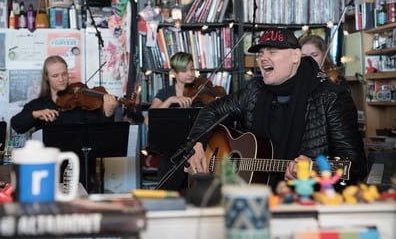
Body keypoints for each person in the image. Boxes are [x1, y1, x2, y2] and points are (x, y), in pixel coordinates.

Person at [184, 28, 367, 192]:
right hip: (256, 194)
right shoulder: (254, 91)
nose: (263, 57)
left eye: (272, 51)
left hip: (306, 200)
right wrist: (197, 143)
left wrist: (315, 168)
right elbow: (213, 110)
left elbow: (355, 164)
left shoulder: (331, 96)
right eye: (261, 53)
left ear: (296, 56)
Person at [10, 55, 119, 191]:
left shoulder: (81, 102)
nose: (61, 79)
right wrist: (35, 114)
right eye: (55, 75)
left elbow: (102, 134)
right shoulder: (38, 104)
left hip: (80, 170)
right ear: (46, 78)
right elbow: (16, 124)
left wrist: (108, 113)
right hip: (48, 169)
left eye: (64, 74)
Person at [146, 52, 199, 191]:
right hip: (172, 153)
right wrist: (170, 101)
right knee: (166, 189)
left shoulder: (200, 91)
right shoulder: (165, 93)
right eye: (184, 70)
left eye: (192, 69)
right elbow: (148, 120)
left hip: (196, 150)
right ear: (174, 73)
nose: (190, 73)